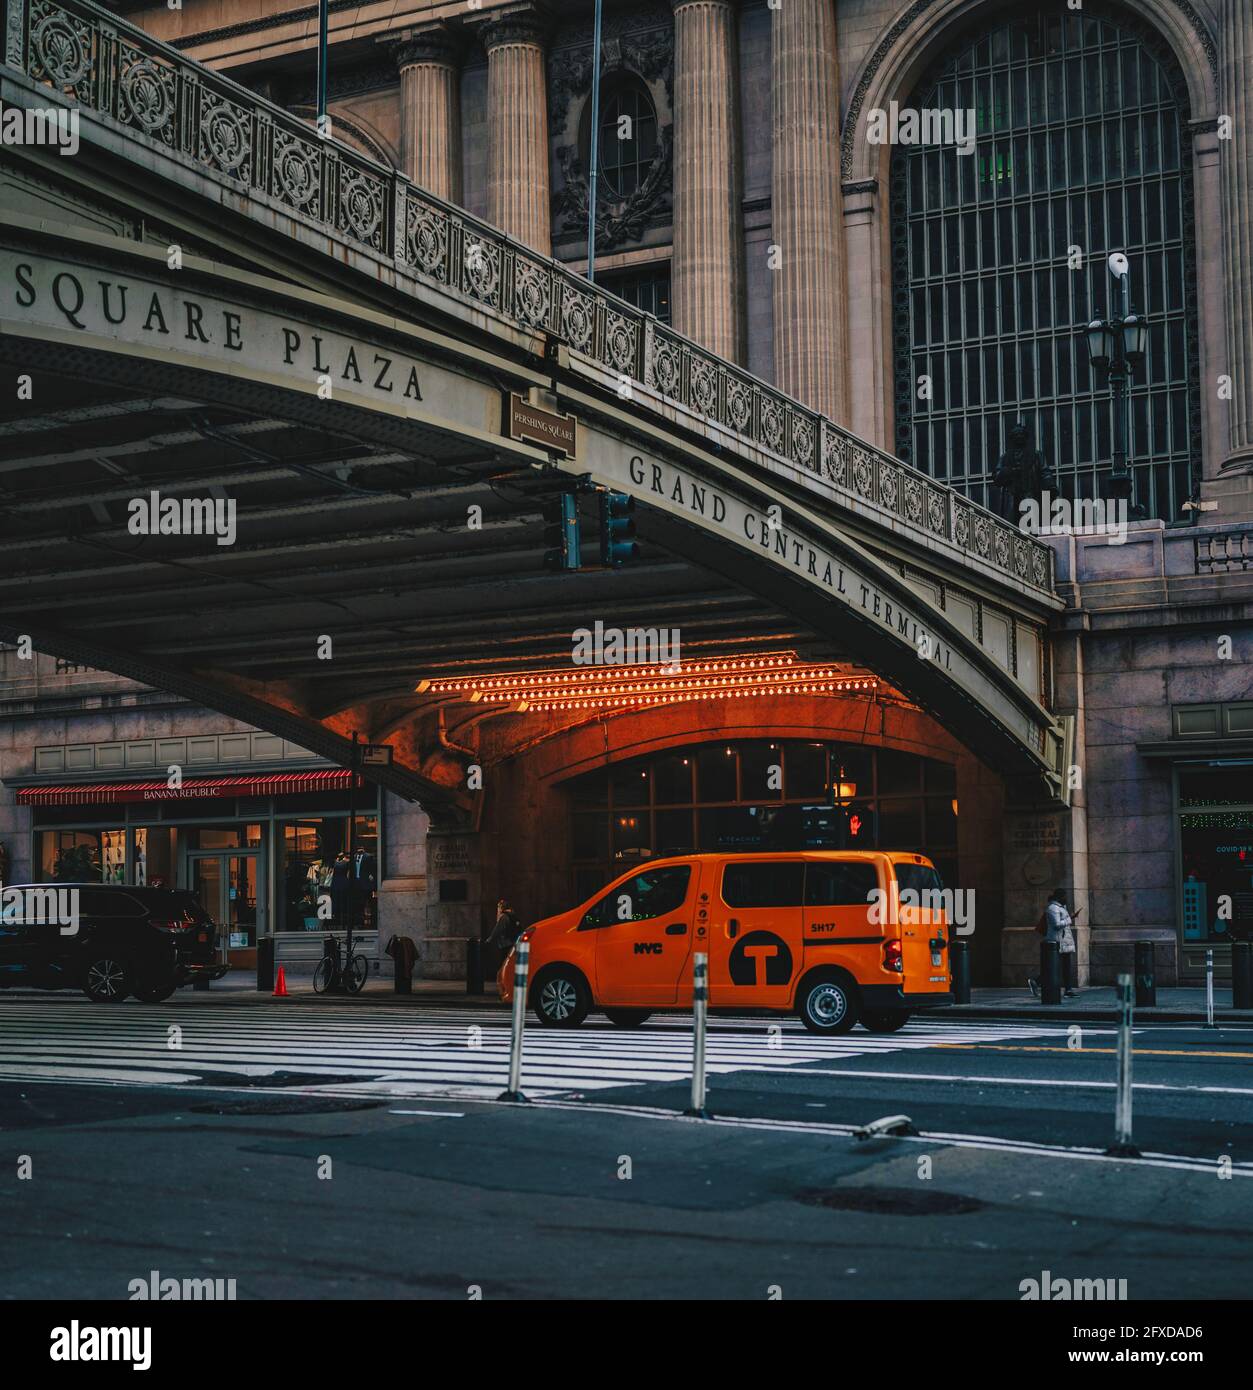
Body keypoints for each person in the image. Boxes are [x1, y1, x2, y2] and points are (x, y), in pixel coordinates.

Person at [1028, 889, 1081, 998]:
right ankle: (1036, 981)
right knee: (1054, 966)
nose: (1066, 899)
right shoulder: (1053, 908)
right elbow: (1056, 924)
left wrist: (1070, 917)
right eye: (1064, 896)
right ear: (1059, 897)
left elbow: (1062, 922)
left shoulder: (1061, 908)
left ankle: (1068, 989)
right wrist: (1069, 920)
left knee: (1065, 966)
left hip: (1064, 941)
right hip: (1057, 942)